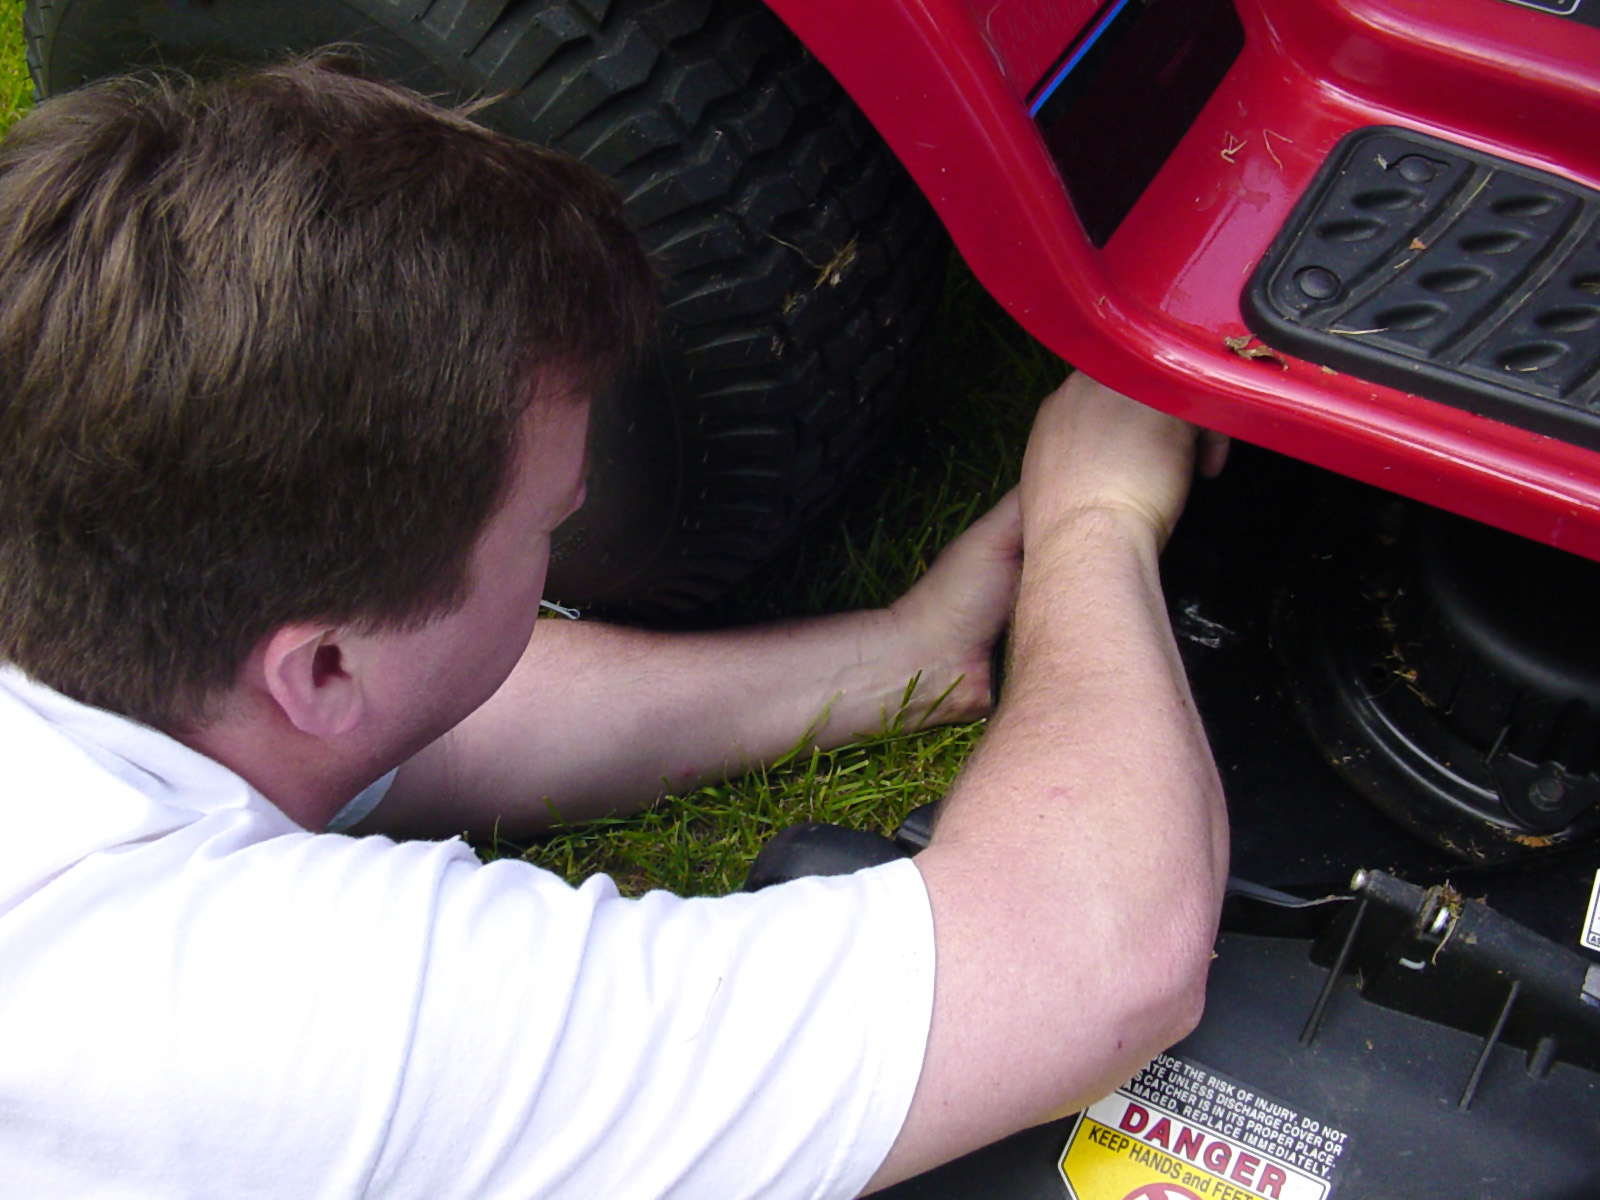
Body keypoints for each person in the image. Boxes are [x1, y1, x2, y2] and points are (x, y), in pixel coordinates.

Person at [0, 57, 1228, 1199]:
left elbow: (398, 736)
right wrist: (1093, 515)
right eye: (546, 531)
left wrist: (897, 652)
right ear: (320, 665)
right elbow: (1090, 958)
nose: (565, 542)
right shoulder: (239, 1014)